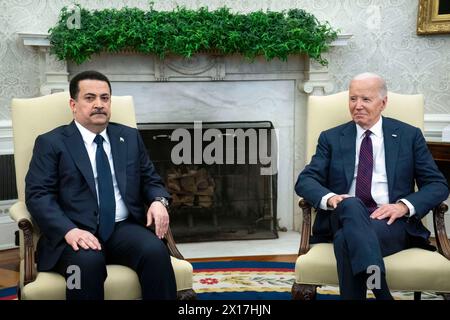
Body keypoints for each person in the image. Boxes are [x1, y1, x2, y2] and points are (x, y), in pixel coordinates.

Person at [295, 72, 449, 300]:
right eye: (353, 98)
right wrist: (331, 198)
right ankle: (381, 293)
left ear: (383, 103)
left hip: (390, 221)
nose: (357, 106)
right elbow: (305, 180)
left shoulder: (408, 136)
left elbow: (437, 184)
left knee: (345, 241)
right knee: (352, 204)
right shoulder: (331, 138)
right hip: (343, 215)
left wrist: (403, 206)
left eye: (365, 99)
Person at [25, 70, 177, 300]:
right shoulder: (51, 143)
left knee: (155, 252)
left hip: (122, 228)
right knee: (85, 266)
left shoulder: (129, 137)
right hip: (74, 232)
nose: (99, 104)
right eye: (90, 98)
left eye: (104, 98)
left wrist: (158, 201)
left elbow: (151, 180)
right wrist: (69, 230)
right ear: (73, 104)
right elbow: (38, 195)